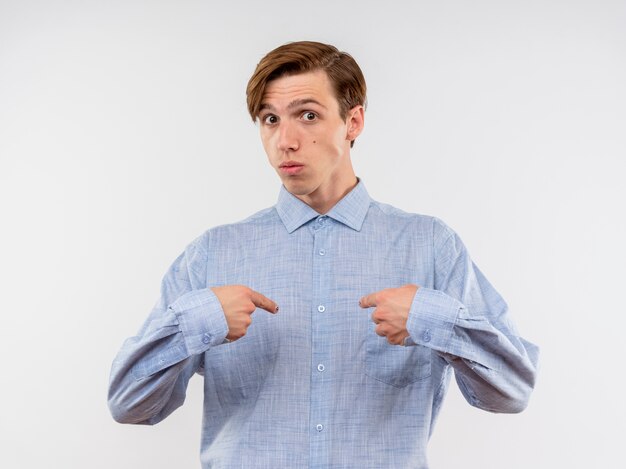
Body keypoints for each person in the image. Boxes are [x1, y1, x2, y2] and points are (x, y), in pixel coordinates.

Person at [108, 41, 539, 468]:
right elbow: (129, 404)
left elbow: (512, 392)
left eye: (308, 115)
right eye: (270, 119)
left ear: (353, 122)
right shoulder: (212, 254)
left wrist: (434, 319)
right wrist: (198, 321)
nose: (285, 141)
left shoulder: (429, 245)